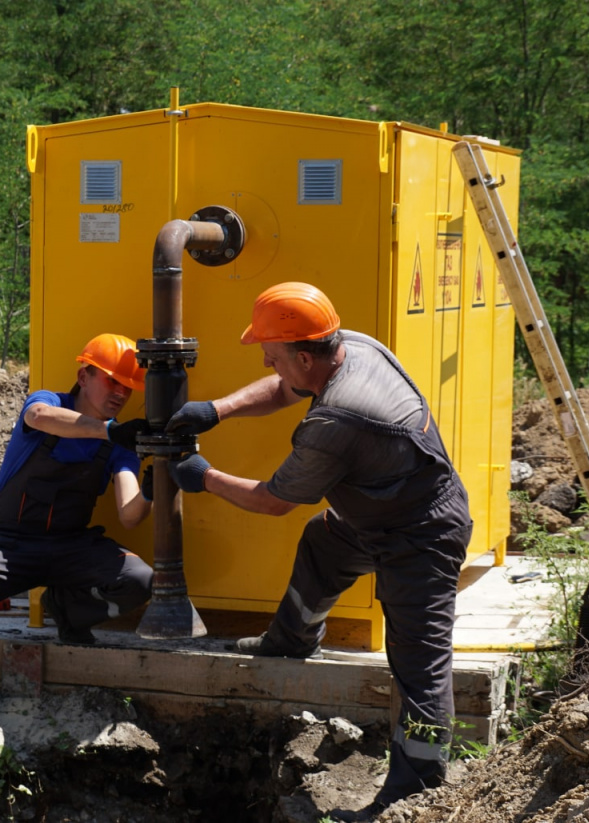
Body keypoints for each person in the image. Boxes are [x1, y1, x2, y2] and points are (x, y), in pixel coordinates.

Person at [166, 282, 472, 818]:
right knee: (321, 546)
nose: (265, 358)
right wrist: (218, 409)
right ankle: (290, 641)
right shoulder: (350, 344)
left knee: (419, 665)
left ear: (306, 354)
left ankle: (414, 794)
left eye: (272, 353)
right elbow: (287, 387)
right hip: (377, 512)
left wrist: (205, 477)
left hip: (420, 535)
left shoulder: (338, 418)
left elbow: (272, 501)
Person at [0, 333, 155, 731]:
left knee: (140, 580)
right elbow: (40, 419)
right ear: (84, 376)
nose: (120, 393)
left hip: (70, 545)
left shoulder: (119, 446)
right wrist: (109, 431)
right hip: (10, 544)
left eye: (128, 387)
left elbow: (130, 514)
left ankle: (65, 610)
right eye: (112, 381)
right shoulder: (48, 403)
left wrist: (154, 487)